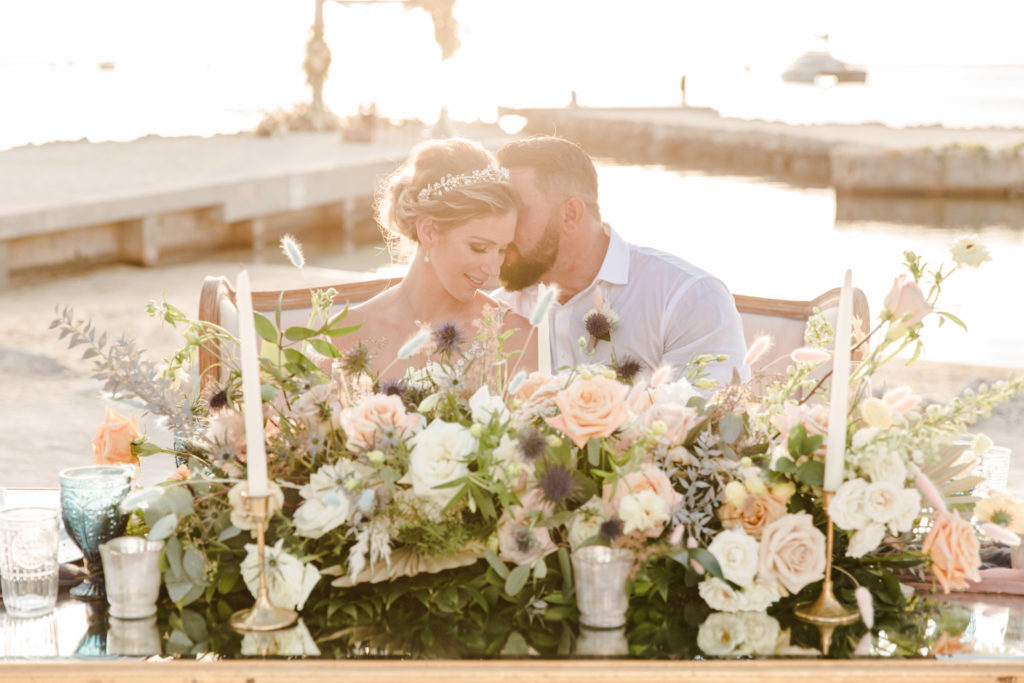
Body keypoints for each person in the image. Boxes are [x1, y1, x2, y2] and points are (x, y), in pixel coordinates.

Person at [494, 135, 748, 387]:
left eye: (516, 211)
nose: (499, 229)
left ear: (570, 214)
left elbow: (704, 416)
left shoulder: (689, 298)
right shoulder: (496, 311)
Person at [333, 138, 538, 380]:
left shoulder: (515, 336)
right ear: (429, 231)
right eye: (479, 247)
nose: (494, 269)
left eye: (502, 250)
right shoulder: (346, 330)